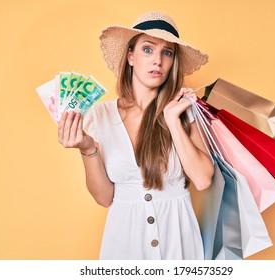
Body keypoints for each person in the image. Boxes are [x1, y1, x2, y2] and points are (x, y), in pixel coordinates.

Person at [58, 11, 214, 260]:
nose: (158, 61)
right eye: (148, 49)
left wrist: (172, 120)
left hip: (178, 240)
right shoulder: (99, 115)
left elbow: (203, 179)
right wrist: (87, 148)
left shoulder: (184, 110)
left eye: (167, 52)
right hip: (124, 242)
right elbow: (104, 198)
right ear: (130, 56)